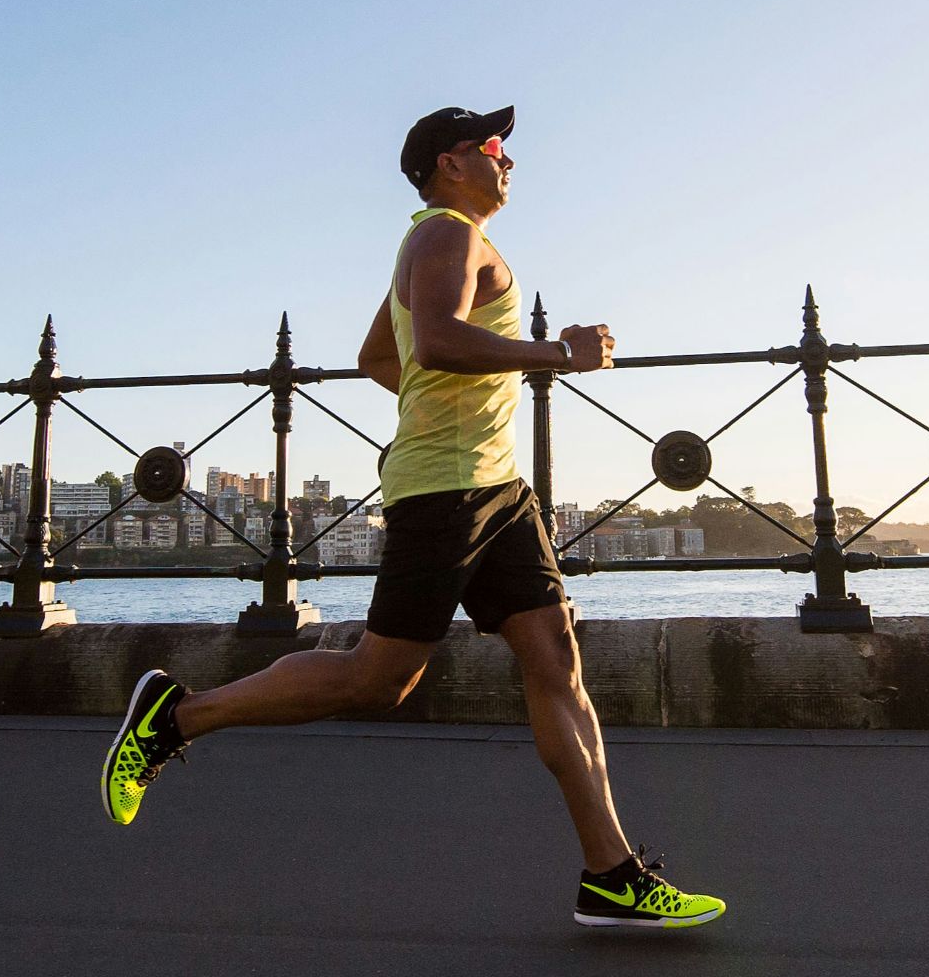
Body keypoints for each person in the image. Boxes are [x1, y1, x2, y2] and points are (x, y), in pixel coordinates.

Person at [102, 106, 725, 929]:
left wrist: (449, 413)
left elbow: (379, 357)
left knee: (556, 657)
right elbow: (432, 342)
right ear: (448, 162)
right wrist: (555, 355)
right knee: (378, 679)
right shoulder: (444, 235)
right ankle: (173, 716)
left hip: (498, 488)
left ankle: (612, 874)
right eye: (492, 147)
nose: (508, 160)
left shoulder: (450, 240)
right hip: (448, 493)